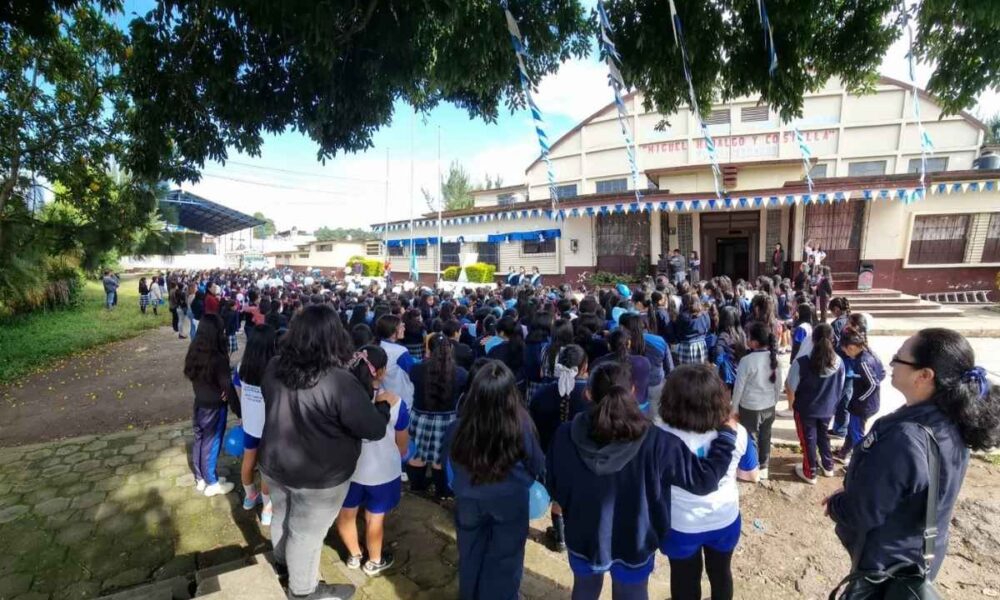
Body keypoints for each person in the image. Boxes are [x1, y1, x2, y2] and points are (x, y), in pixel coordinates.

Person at [824, 328, 1000, 593]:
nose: (892, 363)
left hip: (887, 569)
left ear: (925, 375)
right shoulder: (952, 416)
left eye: (899, 358)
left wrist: (838, 503)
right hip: (919, 554)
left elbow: (863, 513)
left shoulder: (906, 438)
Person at [547, 362, 739, 600]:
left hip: (584, 537)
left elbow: (554, 484)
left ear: (587, 392)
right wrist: (728, 436)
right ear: (635, 391)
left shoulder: (565, 434)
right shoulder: (658, 442)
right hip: (635, 541)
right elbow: (704, 479)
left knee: (584, 591)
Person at [258, 305, 396, 600]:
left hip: (274, 462)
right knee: (306, 533)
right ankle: (304, 590)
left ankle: (284, 566)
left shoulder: (274, 366)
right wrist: (383, 407)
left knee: (283, 515)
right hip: (319, 476)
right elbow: (372, 428)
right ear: (335, 336)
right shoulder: (337, 381)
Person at [443, 361, 545, 600]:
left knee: (470, 552)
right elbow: (537, 465)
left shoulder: (457, 427)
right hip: (510, 501)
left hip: (469, 499)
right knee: (506, 557)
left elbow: (449, 463)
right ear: (511, 394)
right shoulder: (523, 426)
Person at [658, 364, 759, 600]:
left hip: (679, 524)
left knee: (684, 579)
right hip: (723, 519)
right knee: (721, 574)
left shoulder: (660, 435)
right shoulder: (738, 432)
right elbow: (751, 475)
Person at [336, 345, 410, 576]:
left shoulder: (340, 400)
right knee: (374, 520)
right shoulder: (396, 403)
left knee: (346, 514)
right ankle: (374, 561)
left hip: (348, 470)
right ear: (381, 372)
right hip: (383, 472)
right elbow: (402, 446)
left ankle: (354, 555)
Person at [182, 313, 238, 497]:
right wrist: (238, 409)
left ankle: (201, 478)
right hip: (213, 409)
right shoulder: (217, 357)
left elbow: (200, 377)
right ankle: (212, 483)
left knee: (200, 440)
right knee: (211, 443)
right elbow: (227, 385)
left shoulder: (195, 349)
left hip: (199, 404)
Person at [407, 333, 468, 499]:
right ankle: (441, 492)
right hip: (447, 420)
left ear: (429, 349)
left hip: (420, 417)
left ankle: (417, 488)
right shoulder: (460, 373)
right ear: (450, 350)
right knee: (440, 457)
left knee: (417, 454)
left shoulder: (417, 369)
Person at [786, 324, 846, 484]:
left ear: (812, 340)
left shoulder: (801, 363)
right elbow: (841, 386)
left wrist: (792, 405)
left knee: (808, 440)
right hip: (828, 409)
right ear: (833, 340)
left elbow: (790, 386)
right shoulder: (839, 362)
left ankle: (810, 472)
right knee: (823, 436)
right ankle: (828, 466)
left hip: (805, 410)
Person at [233, 324, 277, 524]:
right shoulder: (275, 368)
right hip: (270, 428)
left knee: (248, 461)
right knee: (267, 469)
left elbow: (238, 390)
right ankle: (267, 510)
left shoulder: (242, 366)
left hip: (250, 425)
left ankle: (249, 498)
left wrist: (244, 413)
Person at [732, 322, 782, 480]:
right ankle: (764, 466)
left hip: (750, 407)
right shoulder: (775, 358)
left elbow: (738, 388)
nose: (746, 339)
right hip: (768, 405)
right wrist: (773, 402)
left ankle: (751, 468)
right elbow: (778, 385)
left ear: (754, 342)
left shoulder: (747, 361)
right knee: (766, 436)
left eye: (748, 337)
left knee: (751, 437)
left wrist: (734, 409)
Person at [833, 328, 885, 466]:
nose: (845, 353)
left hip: (863, 406)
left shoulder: (863, 362)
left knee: (857, 434)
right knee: (852, 429)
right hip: (862, 403)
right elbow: (882, 372)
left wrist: (860, 399)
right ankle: (845, 452)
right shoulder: (869, 354)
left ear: (851, 347)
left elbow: (874, 384)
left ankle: (859, 463)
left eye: (845, 350)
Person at [375, 314, 415, 407]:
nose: (404, 329)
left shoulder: (377, 346)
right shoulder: (400, 351)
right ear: (392, 331)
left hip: (383, 398)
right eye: (401, 326)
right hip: (402, 399)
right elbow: (413, 373)